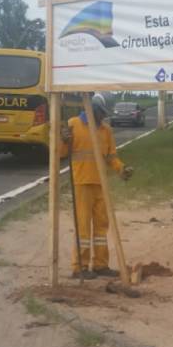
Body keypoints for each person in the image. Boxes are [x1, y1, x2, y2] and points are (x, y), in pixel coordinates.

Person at [60, 93, 134, 280]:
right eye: (100, 113)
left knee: (102, 226)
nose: (103, 117)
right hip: (82, 182)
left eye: (103, 114)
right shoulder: (73, 124)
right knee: (83, 226)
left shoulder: (106, 130)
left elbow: (111, 157)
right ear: (91, 109)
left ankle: (100, 265)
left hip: (100, 183)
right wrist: (63, 140)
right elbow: (61, 153)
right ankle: (80, 267)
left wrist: (121, 169)